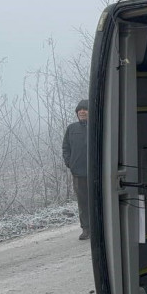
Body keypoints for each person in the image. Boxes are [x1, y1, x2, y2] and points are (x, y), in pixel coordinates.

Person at [63, 100, 90, 240]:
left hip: (96, 174)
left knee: (98, 201)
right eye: (79, 110)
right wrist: (70, 163)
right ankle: (86, 229)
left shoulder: (98, 127)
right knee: (83, 202)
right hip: (78, 174)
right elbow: (65, 148)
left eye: (85, 109)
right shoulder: (71, 129)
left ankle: (100, 228)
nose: (82, 112)